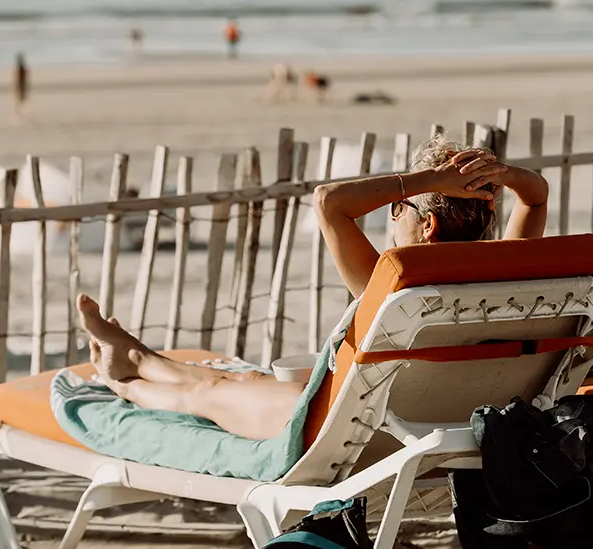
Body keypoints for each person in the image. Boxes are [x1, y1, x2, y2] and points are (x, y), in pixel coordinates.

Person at [76, 136, 549, 441]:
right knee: (248, 382)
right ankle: (140, 358)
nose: (392, 217)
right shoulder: (506, 274)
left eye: (397, 208)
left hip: (361, 432)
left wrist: (430, 180)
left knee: (212, 390)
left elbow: (329, 201)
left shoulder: (398, 282)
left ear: (425, 225)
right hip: (451, 422)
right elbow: (537, 194)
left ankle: (125, 380)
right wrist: (501, 176)